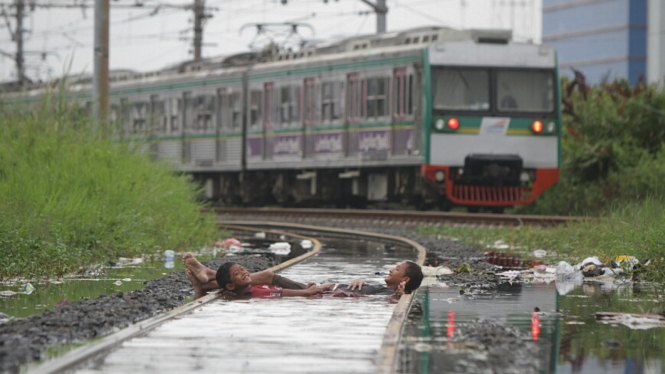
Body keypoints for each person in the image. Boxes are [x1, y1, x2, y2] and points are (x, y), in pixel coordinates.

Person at [183, 253, 423, 299]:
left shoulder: (393, 294)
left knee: (267, 276)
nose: (391, 269)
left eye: (397, 269)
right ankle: (207, 280)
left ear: (404, 281)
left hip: (322, 292)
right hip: (323, 289)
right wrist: (361, 280)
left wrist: (398, 297)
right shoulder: (379, 287)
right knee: (266, 276)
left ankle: (207, 279)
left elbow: (392, 300)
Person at [214, 261, 328, 299]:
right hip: (303, 295)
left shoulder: (250, 287)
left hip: (302, 292)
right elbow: (281, 293)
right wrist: (306, 292)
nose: (243, 273)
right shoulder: (254, 292)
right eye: (237, 274)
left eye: (242, 269)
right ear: (230, 286)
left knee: (327, 287)